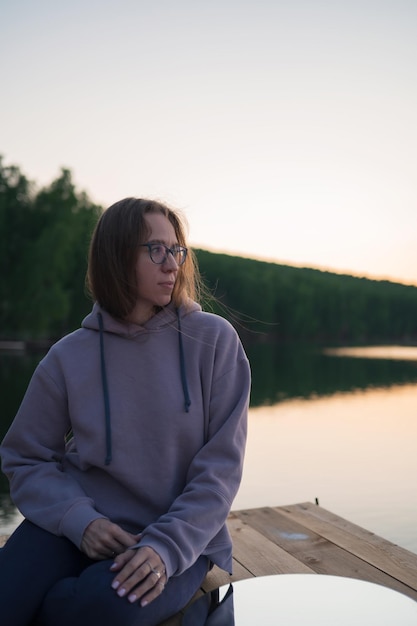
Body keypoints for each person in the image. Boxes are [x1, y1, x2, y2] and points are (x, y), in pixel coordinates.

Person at [0, 197, 250, 626]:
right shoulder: (68, 357)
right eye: (156, 249)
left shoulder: (213, 341)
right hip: (80, 526)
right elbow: (26, 457)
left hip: (176, 539)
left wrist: (165, 548)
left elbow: (220, 470)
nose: (172, 264)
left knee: (95, 608)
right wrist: (80, 521)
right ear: (115, 257)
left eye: (176, 250)